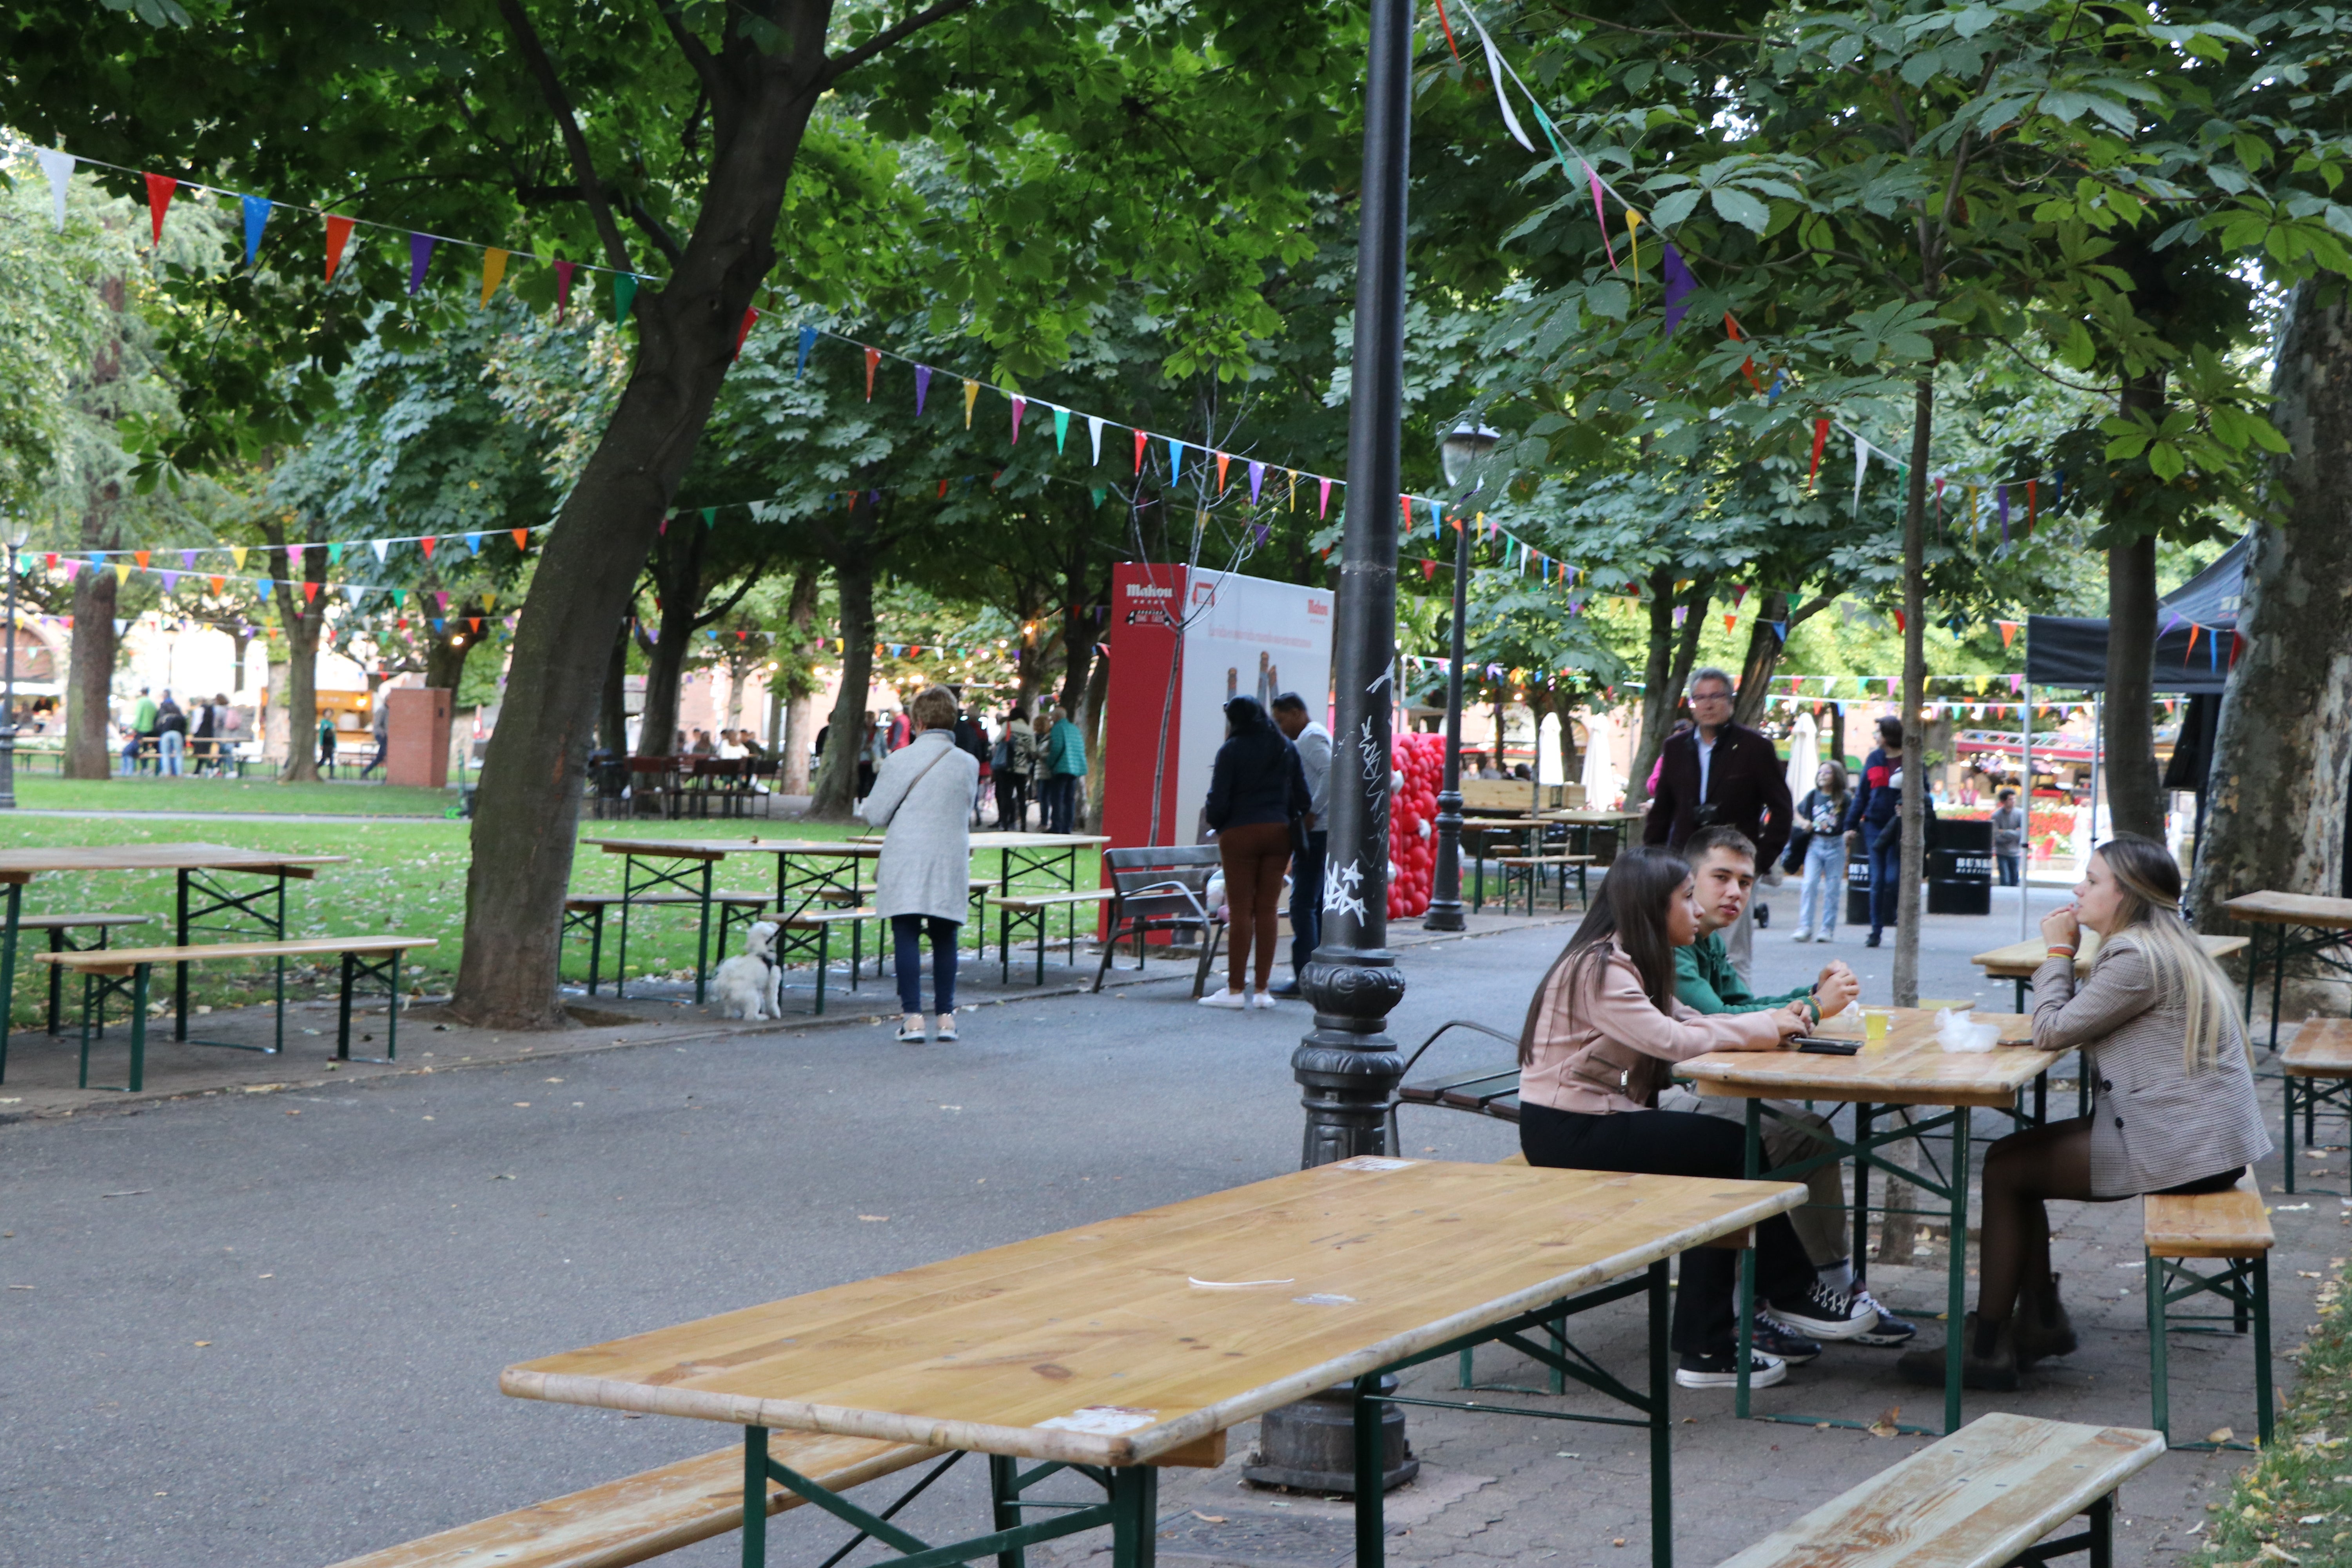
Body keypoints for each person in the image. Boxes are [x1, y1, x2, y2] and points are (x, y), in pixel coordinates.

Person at [1896, 834, 2270, 1390]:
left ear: (2128, 895)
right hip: (2205, 1138)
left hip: (2181, 1145)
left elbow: (2050, 1029)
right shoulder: (2166, 943)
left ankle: (1990, 1346)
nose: (2078, 889)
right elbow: (2071, 1025)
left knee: (2004, 1172)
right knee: (2010, 1159)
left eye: (2092, 881)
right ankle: (2039, 1321)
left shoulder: (2135, 956)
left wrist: (2056, 953)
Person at [1517, 846, 1880, 1389]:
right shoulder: (1601, 967)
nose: (1696, 910)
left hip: (1596, 1118)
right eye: (1686, 898)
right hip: (1569, 1130)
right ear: (1649, 907)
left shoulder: (1634, 962)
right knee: (1733, 1149)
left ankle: (1710, 1343)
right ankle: (1784, 1295)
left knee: (1722, 1159)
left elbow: (1693, 1018)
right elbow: (1673, 1041)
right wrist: (1778, 1024)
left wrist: (1789, 1018)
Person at [1668, 827, 1916, 1353]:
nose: (1735, 893)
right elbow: (1717, 1020)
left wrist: (1807, 996)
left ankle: (1831, 1286)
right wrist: (1815, 1007)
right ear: (1686, 881)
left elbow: (1744, 1005)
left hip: (1688, 1080)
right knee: (1760, 1143)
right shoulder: (1672, 941)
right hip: (1647, 1092)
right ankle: (1754, 1306)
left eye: (1745, 881)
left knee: (1809, 1135)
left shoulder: (1707, 939)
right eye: (1720, 878)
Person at [1642, 667, 1792, 982]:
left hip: (1734, 869)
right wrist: (1653, 860)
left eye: (1716, 696)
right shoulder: (1676, 747)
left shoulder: (1755, 748)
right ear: (1692, 703)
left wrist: (1759, 862)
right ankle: (1683, 1023)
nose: (1708, 704)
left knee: (1733, 956)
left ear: (1730, 702)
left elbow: (1782, 810)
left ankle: (1739, 1023)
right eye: (1700, 698)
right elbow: (1662, 811)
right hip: (1684, 867)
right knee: (1678, 949)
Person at [858, 684, 980, 1044]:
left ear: (919, 721)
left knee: (906, 932)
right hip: (949, 856)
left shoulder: (900, 759)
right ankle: (946, 1019)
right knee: (945, 936)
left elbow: (875, 814)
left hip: (907, 856)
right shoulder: (968, 763)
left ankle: (912, 1019)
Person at [1200, 695, 1309, 1010]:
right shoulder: (1285, 747)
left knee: (1240, 909)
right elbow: (1303, 796)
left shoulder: (1231, 749)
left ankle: (1235, 989)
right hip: (1279, 834)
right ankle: (1263, 991)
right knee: (1267, 909)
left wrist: (1220, 824)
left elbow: (1218, 798)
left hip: (1240, 834)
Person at [1841, 717, 1935, 948]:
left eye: (1878, 732)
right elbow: (1862, 794)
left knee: (1893, 879)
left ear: (1889, 735)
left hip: (1901, 825)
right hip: (1874, 825)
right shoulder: (1874, 759)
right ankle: (1876, 931)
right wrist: (1850, 826)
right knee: (1877, 880)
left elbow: (1925, 793)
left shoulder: (1912, 759)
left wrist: (1909, 804)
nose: (1875, 736)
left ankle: (1896, 918)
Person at [1267, 692, 1332, 999]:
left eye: (1281, 720)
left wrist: (1312, 811)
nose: (1281, 729)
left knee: (1302, 903)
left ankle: (1305, 975)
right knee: (1315, 902)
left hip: (1318, 830)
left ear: (1296, 713)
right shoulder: (1314, 734)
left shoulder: (1309, 738)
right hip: (1321, 828)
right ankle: (1315, 973)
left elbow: (1332, 773)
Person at [1792, 762, 1852, 943]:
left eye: (1828, 772)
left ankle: (1827, 929)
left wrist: (1850, 831)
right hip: (1815, 844)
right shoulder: (1813, 796)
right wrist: (1803, 823)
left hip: (1836, 844)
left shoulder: (1845, 798)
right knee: (1809, 884)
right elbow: (1797, 812)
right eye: (1821, 772)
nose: (1823, 775)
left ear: (1837, 777)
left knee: (1833, 888)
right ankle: (1805, 927)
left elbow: (1853, 817)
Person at [1039, 704, 1087, 834]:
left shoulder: (1058, 729)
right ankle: (1067, 828)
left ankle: (1056, 827)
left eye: (1052, 717)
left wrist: (1050, 763)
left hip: (1062, 768)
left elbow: (1056, 748)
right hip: (1075, 769)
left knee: (1057, 799)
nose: (1051, 719)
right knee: (1070, 799)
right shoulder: (1075, 729)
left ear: (1057, 717)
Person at [993, 706, 1036, 830]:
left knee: (1006, 795)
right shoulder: (1029, 729)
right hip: (1022, 768)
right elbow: (1033, 750)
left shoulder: (1009, 725)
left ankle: (1005, 824)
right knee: (1022, 797)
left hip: (1008, 766)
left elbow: (998, 740)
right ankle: (1023, 824)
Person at [1992, 787, 2025, 886]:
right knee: (2005, 879)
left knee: (2015, 879)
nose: (2014, 801)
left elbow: (2022, 834)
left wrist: (2005, 832)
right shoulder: (1996, 816)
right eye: (2011, 799)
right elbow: (1996, 836)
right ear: (2004, 801)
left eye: (2014, 799)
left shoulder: (2020, 814)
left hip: (2015, 853)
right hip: (2002, 852)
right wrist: (2014, 833)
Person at [156, 692, 187, 777]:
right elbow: (184, 727)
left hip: (166, 733)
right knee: (179, 754)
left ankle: (166, 773)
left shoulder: (163, 712)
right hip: (177, 733)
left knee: (165, 754)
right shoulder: (178, 714)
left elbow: (158, 726)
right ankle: (179, 773)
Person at [132, 686, 158, 774]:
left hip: (142, 729)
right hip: (151, 729)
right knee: (146, 749)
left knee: (137, 748)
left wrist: (135, 727)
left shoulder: (141, 702)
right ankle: (146, 766)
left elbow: (138, 715)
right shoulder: (152, 703)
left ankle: (140, 767)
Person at [316, 710, 338, 776]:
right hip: (325, 743)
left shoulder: (332, 724)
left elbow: (334, 735)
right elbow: (321, 734)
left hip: (331, 743)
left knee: (332, 759)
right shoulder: (323, 722)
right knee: (324, 758)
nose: (329, 715)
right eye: (327, 713)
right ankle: (315, 768)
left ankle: (332, 774)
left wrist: (335, 745)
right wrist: (321, 744)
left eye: (330, 714)